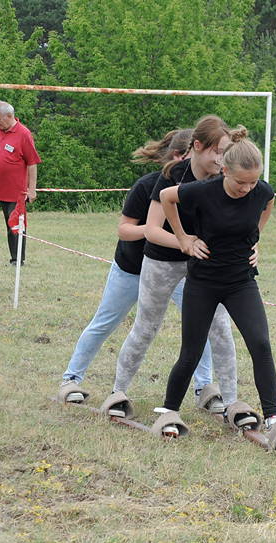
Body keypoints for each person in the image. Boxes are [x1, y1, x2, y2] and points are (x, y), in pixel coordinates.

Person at [151, 127, 276, 450]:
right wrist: (183, 238)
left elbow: (268, 201)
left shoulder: (261, 191)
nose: (247, 188)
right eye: (240, 183)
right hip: (203, 282)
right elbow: (166, 198)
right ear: (225, 171)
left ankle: (274, 418)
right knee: (191, 352)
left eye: (252, 182)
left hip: (240, 282)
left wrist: (255, 240)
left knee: (260, 343)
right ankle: (169, 411)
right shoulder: (203, 191)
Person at [101, 115, 248, 420]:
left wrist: (251, 246)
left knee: (220, 329)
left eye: (225, 153)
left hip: (204, 262)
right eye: (217, 152)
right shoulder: (172, 175)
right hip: (162, 260)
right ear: (197, 146)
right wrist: (184, 241)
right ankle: (118, 391)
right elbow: (152, 230)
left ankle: (231, 402)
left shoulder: (224, 177)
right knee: (146, 327)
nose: (222, 160)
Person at [57, 129, 217, 407]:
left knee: (200, 326)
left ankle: (205, 387)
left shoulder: (203, 188)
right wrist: (157, 231)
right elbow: (124, 230)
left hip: (178, 270)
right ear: (181, 155)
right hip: (132, 268)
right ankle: (71, 379)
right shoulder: (147, 186)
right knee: (105, 322)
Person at [0, 100, 41, 266]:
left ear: (9, 116)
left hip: (14, 191)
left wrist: (32, 190)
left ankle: (17, 259)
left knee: (14, 225)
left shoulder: (24, 134)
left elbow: (32, 163)